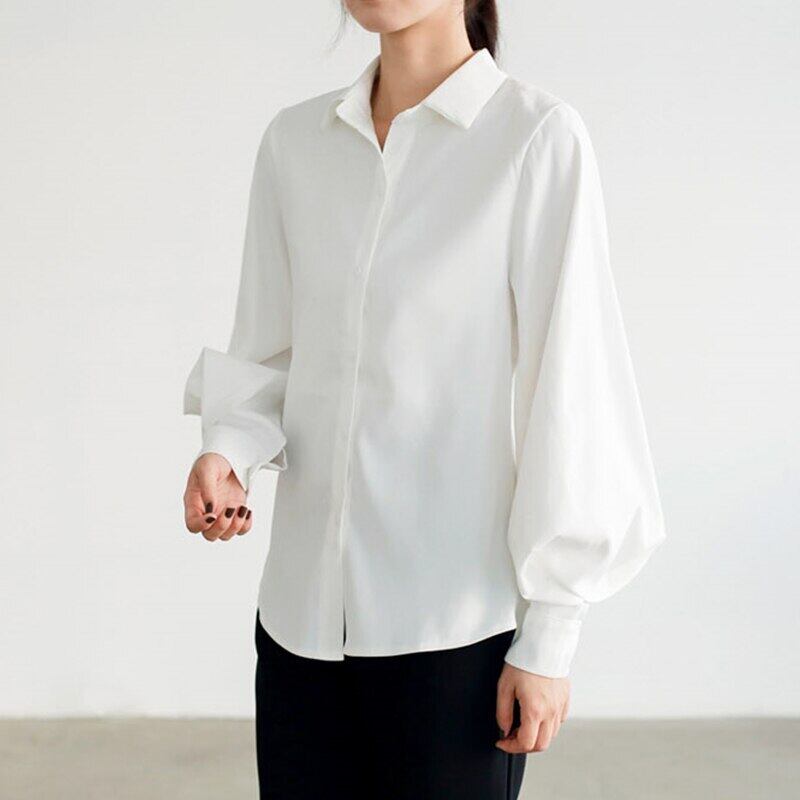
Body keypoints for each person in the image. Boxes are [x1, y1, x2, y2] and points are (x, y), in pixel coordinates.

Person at [181, 1, 666, 797]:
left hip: (455, 638)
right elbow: (270, 353)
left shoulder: (534, 139)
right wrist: (227, 452)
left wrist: (550, 634)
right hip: (299, 632)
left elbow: (575, 393)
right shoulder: (295, 144)